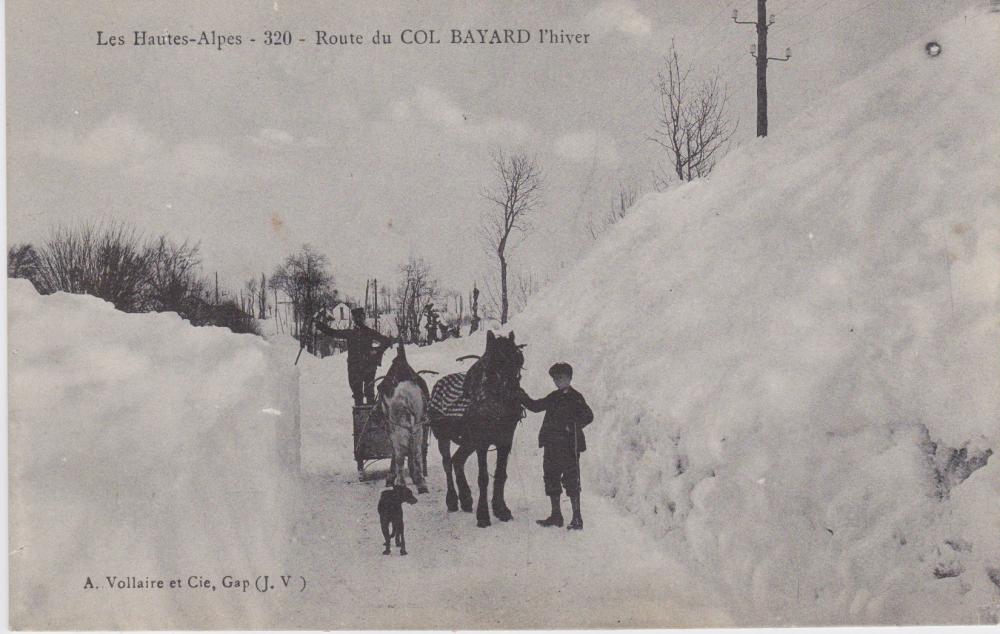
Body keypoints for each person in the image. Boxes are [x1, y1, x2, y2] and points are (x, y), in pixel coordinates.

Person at [519, 362, 594, 530]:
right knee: (551, 478)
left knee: (571, 480)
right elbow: (537, 406)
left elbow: (589, 416)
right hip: (551, 445)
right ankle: (556, 515)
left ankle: (577, 518)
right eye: (555, 378)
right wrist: (522, 396)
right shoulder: (553, 396)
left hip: (569, 446)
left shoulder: (576, 397)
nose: (558, 381)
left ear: (569, 378)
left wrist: (573, 425)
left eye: (561, 377)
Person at [314, 307, 393, 406]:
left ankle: (364, 417)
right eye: (358, 317)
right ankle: (367, 417)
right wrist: (377, 352)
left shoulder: (355, 333)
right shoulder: (360, 332)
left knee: (362, 394)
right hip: (360, 367)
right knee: (363, 394)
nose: (359, 320)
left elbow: (332, 332)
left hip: (360, 367)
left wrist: (376, 351)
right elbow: (332, 332)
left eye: (359, 317)